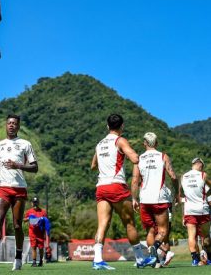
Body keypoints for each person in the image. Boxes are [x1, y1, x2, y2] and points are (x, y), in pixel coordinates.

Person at [90, 114, 156, 270]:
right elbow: (134, 158)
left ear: (107, 126)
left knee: (102, 224)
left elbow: (93, 166)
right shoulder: (120, 140)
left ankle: (97, 259)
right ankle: (140, 258)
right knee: (129, 223)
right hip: (117, 186)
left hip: (101, 187)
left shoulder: (99, 144)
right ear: (122, 126)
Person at [0, 114, 38, 272]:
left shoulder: (25, 144)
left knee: (17, 225)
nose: (12, 125)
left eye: (15, 123)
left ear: (19, 126)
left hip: (19, 188)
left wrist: (18, 165)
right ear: (6, 126)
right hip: (2, 188)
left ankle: (18, 258)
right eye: (9, 123)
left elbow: (35, 167)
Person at [131, 132, 179, 267]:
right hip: (159, 199)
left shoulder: (138, 159)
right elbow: (174, 177)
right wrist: (177, 193)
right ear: (156, 143)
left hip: (144, 199)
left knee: (150, 231)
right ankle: (156, 247)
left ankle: (155, 261)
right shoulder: (163, 156)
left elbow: (135, 181)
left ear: (144, 143)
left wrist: (134, 198)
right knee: (163, 231)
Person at [180, 157, 211, 266]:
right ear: (200, 165)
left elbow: (182, 196)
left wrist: (182, 215)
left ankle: (195, 259)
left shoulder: (183, 177)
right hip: (202, 210)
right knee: (206, 235)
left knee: (191, 236)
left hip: (189, 210)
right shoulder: (203, 175)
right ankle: (209, 258)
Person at [24, 197, 48, 267]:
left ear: (38, 203)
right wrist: (29, 218)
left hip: (40, 232)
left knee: (41, 248)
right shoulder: (29, 211)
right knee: (33, 247)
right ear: (32, 203)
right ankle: (34, 262)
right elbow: (24, 219)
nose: (35, 204)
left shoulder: (43, 212)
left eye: (36, 202)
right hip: (32, 232)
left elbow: (46, 221)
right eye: (34, 202)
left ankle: (40, 261)